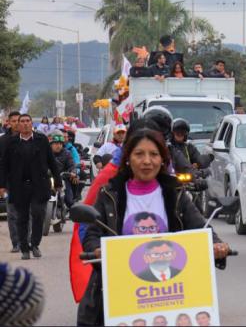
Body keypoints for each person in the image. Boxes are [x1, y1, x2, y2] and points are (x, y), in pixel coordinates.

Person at [77, 128, 231, 325]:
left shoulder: (175, 194)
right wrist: (96, 249)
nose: (147, 161)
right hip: (119, 293)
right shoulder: (110, 194)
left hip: (170, 293)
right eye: (139, 154)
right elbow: (92, 233)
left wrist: (217, 244)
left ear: (163, 160)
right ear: (127, 159)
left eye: (154, 154)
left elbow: (200, 227)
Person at [0, 114, 62, 260]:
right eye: (22, 122)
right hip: (18, 186)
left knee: (38, 213)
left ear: (31, 124)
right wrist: (2, 185)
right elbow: (3, 165)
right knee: (21, 218)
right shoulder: (11, 143)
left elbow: (52, 162)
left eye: (28, 121)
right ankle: (24, 248)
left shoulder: (42, 140)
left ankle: (34, 244)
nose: (25, 124)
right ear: (18, 125)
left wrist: (58, 182)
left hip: (39, 185)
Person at [0, 111, 22, 252]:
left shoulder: (29, 138)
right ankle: (16, 243)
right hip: (10, 183)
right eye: (13, 121)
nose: (15, 123)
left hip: (28, 182)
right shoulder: (2, 141)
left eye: (17, 120)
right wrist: (2, 185)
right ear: (8, 122)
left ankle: (26, 240)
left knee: (28, 213)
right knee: (12, 214)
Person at [49, 130, 78, 207]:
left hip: (62, 179)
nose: (58, 146)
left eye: (60, 144)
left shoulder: (67, 153)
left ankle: (71, 212)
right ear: (51, 144)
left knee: (69, 200)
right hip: (48, 179)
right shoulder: (46, 153)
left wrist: (73, 172)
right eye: (55, 143)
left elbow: (72, 165)